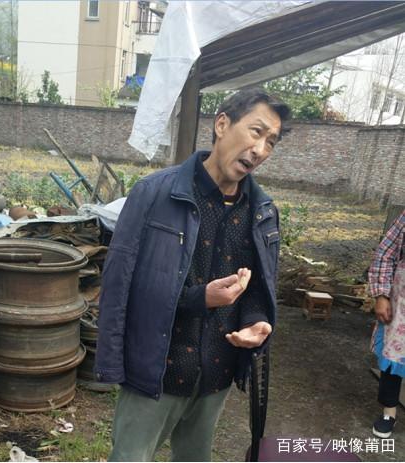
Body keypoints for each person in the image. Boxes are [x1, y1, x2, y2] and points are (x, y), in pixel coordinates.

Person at [95, 88, 291, 461]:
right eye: (256, 131)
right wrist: (199, 298)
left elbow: (257, 288)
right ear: (222, 124)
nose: (260, 149)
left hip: (216, 373)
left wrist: (256, 321)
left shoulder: (261, 211)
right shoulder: (155, 194)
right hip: (155, 371)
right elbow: (120, 286)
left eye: (271, 142)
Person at [369, 209, 405, 438]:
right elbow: (385, 253)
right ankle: (389, 412)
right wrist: (382, 295)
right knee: (394, 356)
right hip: (402, 302)